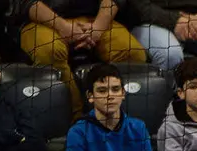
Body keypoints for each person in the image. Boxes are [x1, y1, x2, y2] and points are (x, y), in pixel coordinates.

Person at [17, 0, 147, 116]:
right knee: (49, 51)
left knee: (133, 53)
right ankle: (76, 117)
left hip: (95, 19)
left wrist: (98, 28)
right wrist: (63, 27)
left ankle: (114, 116)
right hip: (42, 21)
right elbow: (26, 3)